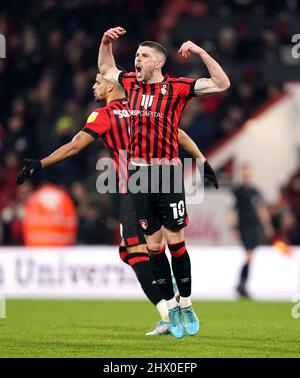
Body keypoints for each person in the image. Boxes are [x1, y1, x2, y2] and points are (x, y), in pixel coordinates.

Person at [16, 72, 219, 336]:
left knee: (135, 252)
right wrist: (202, 161)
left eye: (98, 82)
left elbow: (76, 145)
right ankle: (175, 299)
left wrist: (41, 163)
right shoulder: (142, 104)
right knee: (151, 247)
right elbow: (178, 134)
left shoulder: (104, 115)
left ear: (112, 86)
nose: (94, 86)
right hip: (164, 179)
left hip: (135, 188)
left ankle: (170, 312)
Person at [98, 27, 229, 338]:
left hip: (167, 174)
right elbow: (105, 68)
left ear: (158, 63)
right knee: (154, 247)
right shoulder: (130, 83)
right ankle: (170, 307)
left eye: (142, 56)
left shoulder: (179, 89)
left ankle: (187, 303)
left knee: (176, 244)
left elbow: (223, 83)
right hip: (139, 175)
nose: (136, 60)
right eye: (135, 56)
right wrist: (105, 43)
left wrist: (199, 51)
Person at [231, 163, 274, 298]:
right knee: (249, 254)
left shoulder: (255, 191)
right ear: (242, 175)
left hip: (255, 226)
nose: (247, 176)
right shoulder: (237, 191)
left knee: (250, 255)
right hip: (244, 226)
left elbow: (261, 209)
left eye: (249, 174)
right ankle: (241, 284)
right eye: (245, 174)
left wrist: (267, 225)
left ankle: (241, 284)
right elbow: (231, 210)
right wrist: (233, 227)